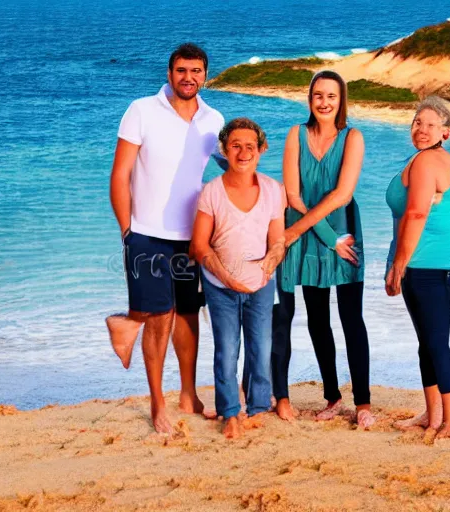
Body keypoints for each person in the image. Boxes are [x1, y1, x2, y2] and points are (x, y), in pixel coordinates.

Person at [106, 43, 225, 434]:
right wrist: (128, 231)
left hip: (193, 238)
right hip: (147, 235)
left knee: (189, 315)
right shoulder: (141, 110)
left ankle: (188, 395)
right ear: (169, 73)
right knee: (159, 319)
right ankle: (158, 403)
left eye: (196, 71)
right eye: (181, 70)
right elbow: (120, 174)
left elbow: (231, 166)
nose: (188, 77)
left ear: (205, 75)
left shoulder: (214, 120)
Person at [272, 70, 374, 428]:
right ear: (310, 98)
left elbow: (342, 195)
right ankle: (332, 396)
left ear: (341, 99)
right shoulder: (295, 135)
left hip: (343, 234)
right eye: (318, 95)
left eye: (331, 95)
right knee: (317, 320)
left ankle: (363, 402)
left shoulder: (353, 137)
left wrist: (323, 236)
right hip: (314, 235)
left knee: (351, 320)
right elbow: (292, 195)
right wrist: (322, 235)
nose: (324, 102)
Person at [191, 118, 285, 439]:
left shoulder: (274, 190)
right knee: (227, 350)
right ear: (224, 149)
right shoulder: (211, 192)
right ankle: (230, 412)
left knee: (261, 347)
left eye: (250, 146)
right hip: (221, 287)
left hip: (260, 285)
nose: (243, 152)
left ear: (261, 150)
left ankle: (258, 408)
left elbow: (278, 241)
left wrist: (272, 260)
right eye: (235, 146)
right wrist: (226, 278)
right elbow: (199, 246)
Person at [385, 96, 450, 439]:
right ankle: (432, 416)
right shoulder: (447, 160)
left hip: (427, 270)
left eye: (431, 124)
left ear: (445, 132)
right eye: (418, 122)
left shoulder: (424, 163)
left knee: (435, 344)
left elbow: (416, 214)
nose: (422, 129)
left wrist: (398, 266)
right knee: (429, 343)